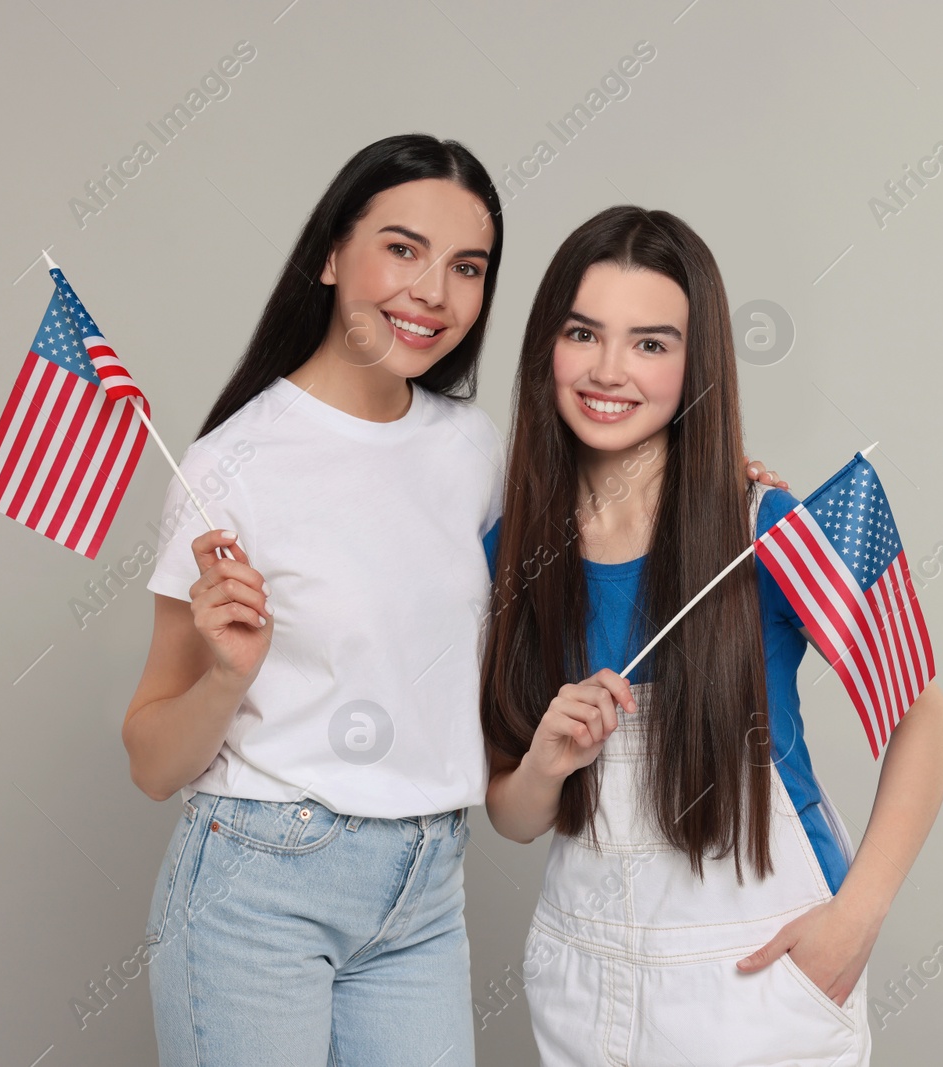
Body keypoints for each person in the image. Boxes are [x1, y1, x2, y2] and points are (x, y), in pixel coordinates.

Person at [120, 134, 789, 1065]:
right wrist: (227, 678)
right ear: (328, 255)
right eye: (401, 248)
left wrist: (715, 482)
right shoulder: (228, 465)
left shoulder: (476, 453)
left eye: (466, 267)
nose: (432, 291)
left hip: (425, 889)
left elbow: (601, 511)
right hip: (258, 880)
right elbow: (153, 761)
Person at [480, 206, 943, 1065]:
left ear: (696, 365)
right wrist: (549, 759)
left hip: (757, 984)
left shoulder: (763, 530)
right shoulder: (510, 548)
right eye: (584, 332)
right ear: (545, 346)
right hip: (585, 985)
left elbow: (928, 719)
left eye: (652, 343)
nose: (610, 370)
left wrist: (860, 913)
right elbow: (511, 814)